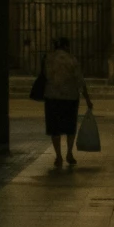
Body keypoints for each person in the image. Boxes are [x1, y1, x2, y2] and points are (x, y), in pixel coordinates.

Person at [40, 34, 92, 169]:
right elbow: (80, 80)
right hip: (70, 97)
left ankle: (58, 156)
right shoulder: (71, 59)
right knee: (69, 127)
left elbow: (44, 76)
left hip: (52, 96)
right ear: (66, 46)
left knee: (54, 128)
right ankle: (69, 152)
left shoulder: (48, 59)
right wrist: (87, 99)